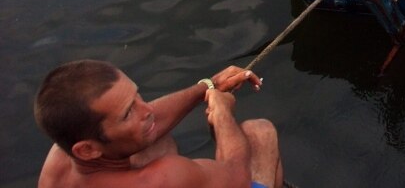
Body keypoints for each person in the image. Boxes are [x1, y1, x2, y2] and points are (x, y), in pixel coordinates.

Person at [34, 60, 283, 188]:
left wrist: (208, 86)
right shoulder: (161, 179)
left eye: (137, 97)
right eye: (128, 113)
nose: (147, 110)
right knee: (259, 133)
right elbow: (236, 178)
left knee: (155, 140)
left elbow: (151, 115)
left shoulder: (61, 156)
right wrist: (222, 114)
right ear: (87, 149)